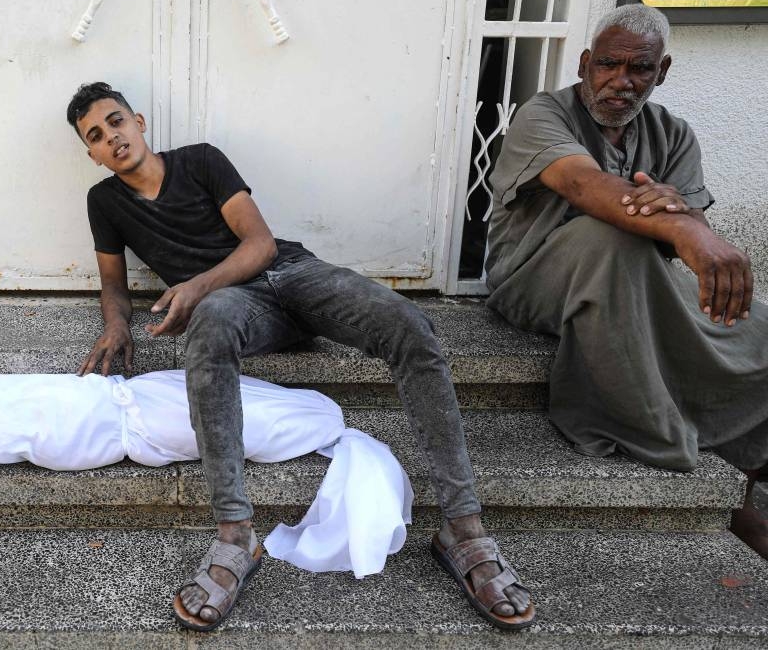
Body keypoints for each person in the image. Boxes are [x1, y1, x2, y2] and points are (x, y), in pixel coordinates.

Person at [66, 82, 534, 630]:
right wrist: (117, 324)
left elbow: (260, 244)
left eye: (116, 121)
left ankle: (464, 527)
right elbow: (113, 283)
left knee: (410, 325)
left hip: (292, 274)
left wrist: (194, 287)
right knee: (209, 328)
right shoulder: (105, 202)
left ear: (139, 121)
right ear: (92, 154)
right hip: (236, 307)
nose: (111, 137)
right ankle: (235, 537)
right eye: (95, 136)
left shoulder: (201, 160)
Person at [485, 4, 768, 558]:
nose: (621, 81)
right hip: (530, 275)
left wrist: (680, 217)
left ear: (662, 71)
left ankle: (743, 485)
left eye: (639, 68)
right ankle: (655, 432)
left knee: (756, 327)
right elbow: (584, 185)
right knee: (608, 236)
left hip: (640, 276)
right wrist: (676, 223)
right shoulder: (543, 113)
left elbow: (689, 228)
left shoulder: (673, 133)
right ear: (585, 64)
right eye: (608, 65)